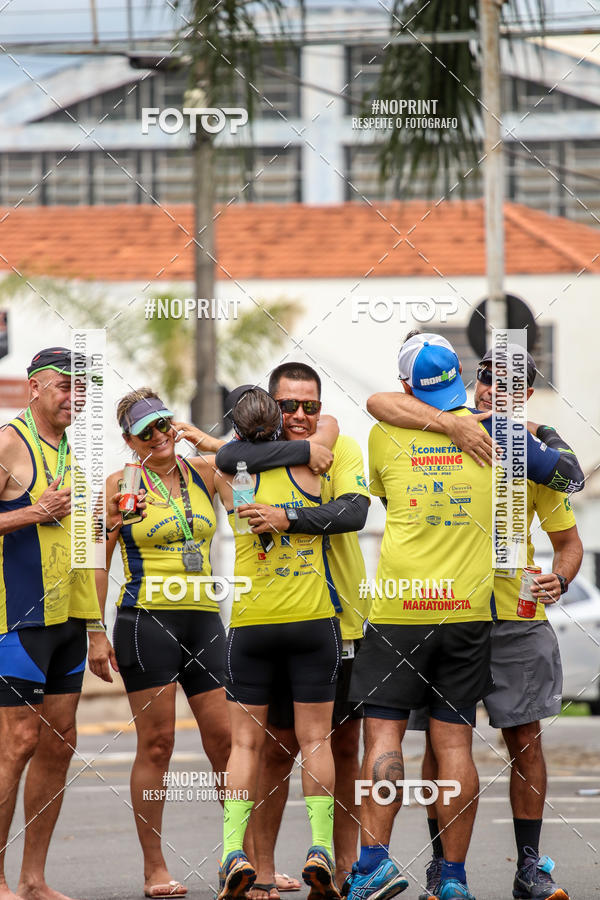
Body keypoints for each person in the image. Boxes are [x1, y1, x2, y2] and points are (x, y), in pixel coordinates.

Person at [368, 344, 583, 900]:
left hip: (514, 613)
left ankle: (530, 865)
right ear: (472, 379)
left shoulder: (530, 453)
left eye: (508, 387)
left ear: (527, 397)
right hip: (442, 608)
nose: (492, 392)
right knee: (440, 745)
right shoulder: (429, 431)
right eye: (486, 380)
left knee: (525, 739)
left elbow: (568, 542)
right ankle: (445, 867)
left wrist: (559, 577)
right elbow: (380, 403)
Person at [215, 362, 370, 895]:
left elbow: (353, 513)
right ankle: (303, 855)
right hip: (312, 623)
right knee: (302, 744)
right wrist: (304, 454)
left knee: (256, 747)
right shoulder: (310, 463)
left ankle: (244, 853)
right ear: (273, 410)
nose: (301, 416)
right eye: (288, 407)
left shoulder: (236, 470)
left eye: (310, 407)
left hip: (287, 623)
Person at [89, 388, 231, 899]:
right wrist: (95, 632)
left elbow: (249, 485)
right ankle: (155, 867)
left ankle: (243, 858)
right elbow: (96, 561)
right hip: (145, 622)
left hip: (204, 619)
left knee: (227, 745)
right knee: (157, 744)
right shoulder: (118, 485)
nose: (159, 436)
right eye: (146, 430)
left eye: (164, 424)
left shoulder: (205, 472)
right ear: (129, 440)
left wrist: (207, 442)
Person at [0, 348, 102, 900]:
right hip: (14, 622)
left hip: (66, 625)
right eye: (64, 386)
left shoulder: (75, 459)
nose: (74, 396)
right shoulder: (8, 443)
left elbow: (84, 550)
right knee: (16, 743)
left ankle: (33, 878)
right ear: (34, 388)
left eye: (81, 388)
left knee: (59, 743)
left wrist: (97, 628)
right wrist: (34, 513)